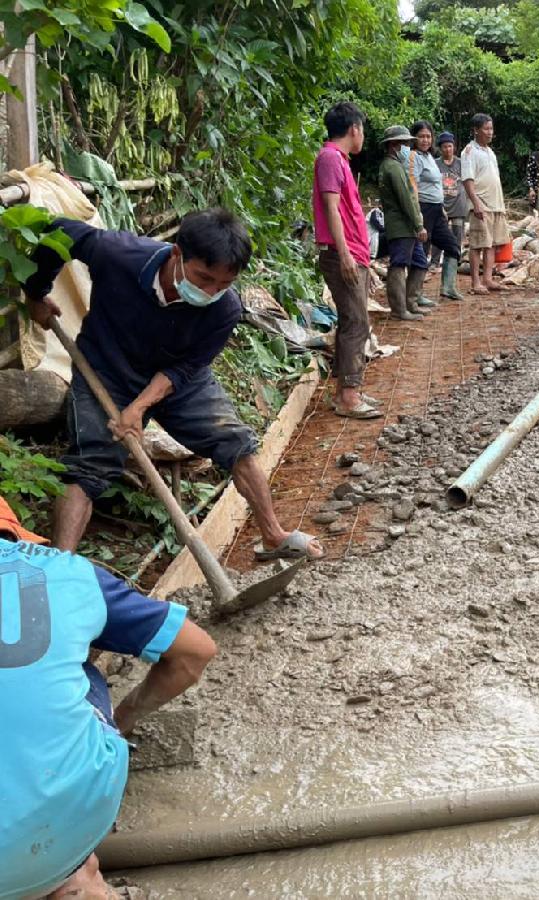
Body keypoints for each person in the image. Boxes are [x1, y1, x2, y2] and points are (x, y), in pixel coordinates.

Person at [23, 210, 327, 560]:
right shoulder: (118, 254)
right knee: (89, 465)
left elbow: (185, 369)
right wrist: (36, 293)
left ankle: (274, 536)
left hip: (180, 380)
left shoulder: (225, 309)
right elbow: (58, 233)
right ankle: (59, 568)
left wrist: (138, 407)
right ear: (177, 254)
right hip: (106, 372)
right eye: (203, 278)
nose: (210, 291)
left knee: (235, 443)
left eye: (223, 284)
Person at [0, 496, 216, 900]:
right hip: (70, 822)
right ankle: (76, 877)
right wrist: (122, 718)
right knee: (81, 676)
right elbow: (195, 651)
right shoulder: (64, 573)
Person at [312, 101, 380, 418]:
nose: (362, 136)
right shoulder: (329, 158)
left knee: (351, 321)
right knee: (357, 322)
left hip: (352, 252)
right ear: (354, 129)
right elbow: (331, 208)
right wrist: (345, 255)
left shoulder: (339, 160)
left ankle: (346, 391)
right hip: (344, 253)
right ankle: (349, 397)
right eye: (362, 129)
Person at [378, 124, 431, 325]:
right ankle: (399, 309)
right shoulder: (393, 168)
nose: (408, 147)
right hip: (401, 226)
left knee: (420, 262)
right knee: (399, 265)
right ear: (394, 145)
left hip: (404, 226)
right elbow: (406, 199)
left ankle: (411, 303)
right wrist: (419, 225)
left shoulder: (391, 166)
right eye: (405, 144)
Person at [411, 121, 465, 302]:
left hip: (437, 210)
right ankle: (416, 294)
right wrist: (417, 214)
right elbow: (413, 186)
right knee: (421, 250)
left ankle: (448, 288)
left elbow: (435, 185)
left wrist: (441, 207)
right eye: (421, 136)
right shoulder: (414, 157)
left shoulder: (428, 157)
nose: (425, 140)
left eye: (428, 136)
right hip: (424, 208)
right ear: (414, 138)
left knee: (452, 246)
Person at [461, 113, 510, 295]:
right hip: (481, 203)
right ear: (476, 130)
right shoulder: (469, 151)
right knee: (477, 244)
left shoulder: (490, 152)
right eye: (486, 129)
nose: (490, 132)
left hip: (495, 204)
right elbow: (467, 179)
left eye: (491, 128)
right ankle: (475, 282)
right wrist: (476, 203)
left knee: (492, 244)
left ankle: (487, 279)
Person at [433, 131, 469, 274]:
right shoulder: (435, 164)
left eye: (450, 146)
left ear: (454, 147)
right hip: (440, 204)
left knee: (457, 233)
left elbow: (468, 181)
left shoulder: (461, 163)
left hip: (458, 204)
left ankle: (455, 260)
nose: (448, 149)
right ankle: (434, 261)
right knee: (438, 234)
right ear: (440, 148)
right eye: (445, 147)